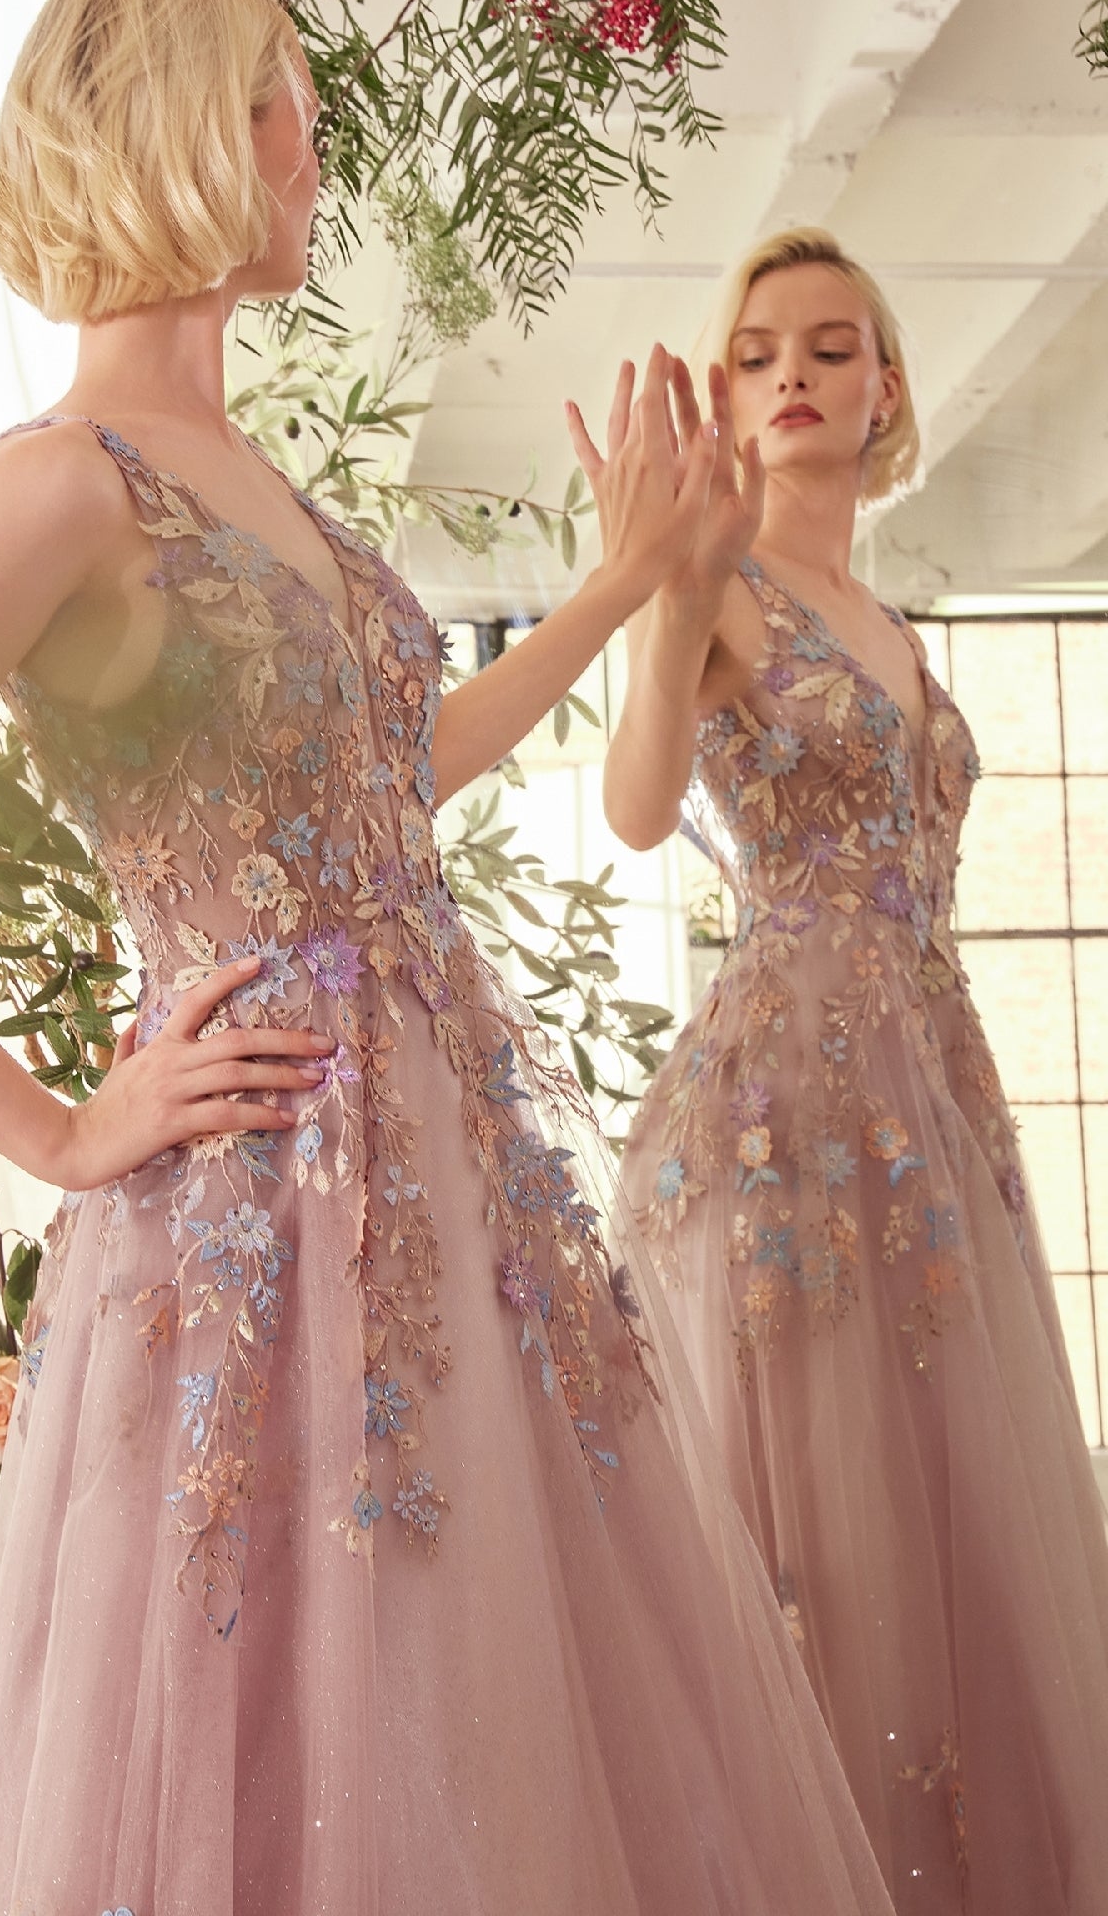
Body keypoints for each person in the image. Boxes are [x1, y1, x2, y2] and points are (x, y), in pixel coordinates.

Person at [0, 0, 897, 1916]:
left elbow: (397, 773)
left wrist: (622, 584)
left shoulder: (264, 483)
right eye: (284, 100)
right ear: (187, 129)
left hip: (461, 1199)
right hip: (257, 1208)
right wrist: (54, 1128)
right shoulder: (54, 486)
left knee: (494, 1728)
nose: (314, 143)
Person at [597, 225, 1108, 1915]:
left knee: (966, 1535)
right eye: (758, 353)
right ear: (727, 399)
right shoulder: (722, 590)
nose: (795, 373)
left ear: (886, 384)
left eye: (831, 345)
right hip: (787, 1131)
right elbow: (637, 801)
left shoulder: (884, 613)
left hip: (936, 1109)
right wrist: (673, 595)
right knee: (824, 1546)